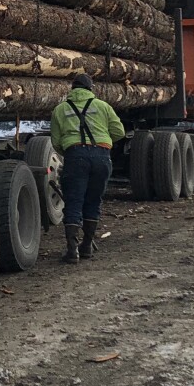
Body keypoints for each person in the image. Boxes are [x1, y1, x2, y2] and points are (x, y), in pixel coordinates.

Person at [50, 74, 126, 264]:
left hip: (75, 156)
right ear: (90, 88)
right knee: (93, 200)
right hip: (101, 156)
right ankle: (87, 246)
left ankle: (72, 251)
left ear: (72, 89)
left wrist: (71, 149)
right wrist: (103, 141)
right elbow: (119, 132)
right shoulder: (103, 106)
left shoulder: (60, 110)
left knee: (74, 201)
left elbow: (56, 142)